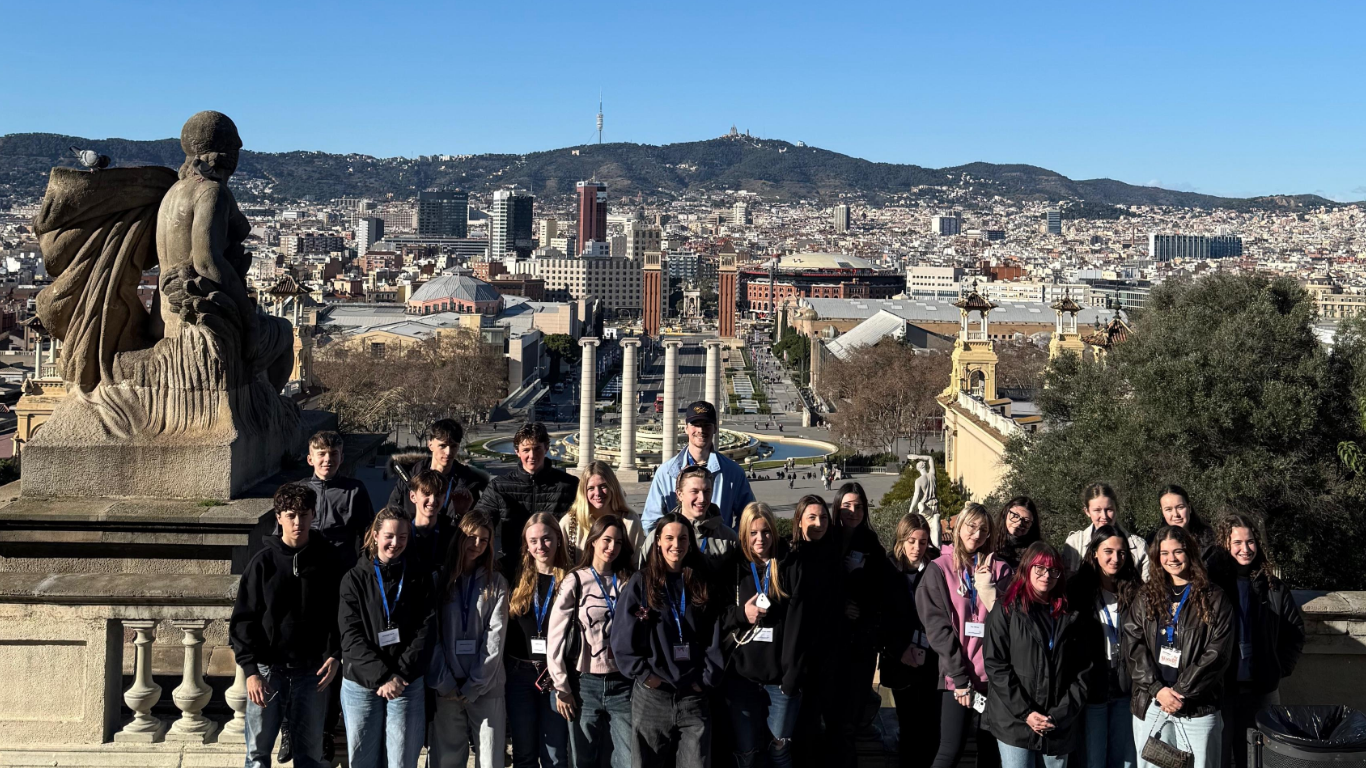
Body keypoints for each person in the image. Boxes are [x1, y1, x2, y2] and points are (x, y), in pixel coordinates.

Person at [230, 483, 344, 768]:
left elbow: (341, 615)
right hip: (268, 672)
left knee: (310, 757)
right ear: (279, 517)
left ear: (313, 515)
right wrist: (251, 671)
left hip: (313, 673)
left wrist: (335, 654)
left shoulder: (329, 561)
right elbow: (243, 621)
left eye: (304, 515)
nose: (298, 522)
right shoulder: (261, 564)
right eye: (291, 515)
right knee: (257, 756)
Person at [611, 512, 725, 768]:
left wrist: (705, 679)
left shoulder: (701, 581)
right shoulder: (642, 582)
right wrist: (644, 674)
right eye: (670, 538)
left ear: (690, 542)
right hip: (653, 695)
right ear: (658, 542)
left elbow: (713, 635)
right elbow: (622, 637)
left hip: (693, 695)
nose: (676, 544)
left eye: (683, 538)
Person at [1125, 526, 1232, 768]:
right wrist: (1158, 690)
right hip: (1152, 703)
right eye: (1164, 553)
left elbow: (1217, 654)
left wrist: (1180, 692)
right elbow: (1132, 645)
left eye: (1178, 551)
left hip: (1197, 707)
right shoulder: (1146, 596)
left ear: (1190, 553)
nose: (1171, 559)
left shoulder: (1214, 598)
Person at [337, 507, 436, 768]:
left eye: (402, 537)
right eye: (389, 536)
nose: (395, 543)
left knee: (401, 761)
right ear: (376, 535)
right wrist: (383, 676)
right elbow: (350, 636)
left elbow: (425, 631)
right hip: (362, 683)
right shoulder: (354, 579)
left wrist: (399, 675)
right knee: (363, 761)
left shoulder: (419, 577)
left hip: (405, 683)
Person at [917, 502, 1011, 768]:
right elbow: (938, 630)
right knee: (950, 751)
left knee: (991, 755)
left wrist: (990, 590)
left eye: (984, 530)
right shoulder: (939, 569)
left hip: (995, 679)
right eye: (971, 526)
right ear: (959, 527)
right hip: (956, 677)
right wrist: (959, 678)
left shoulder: (1002, 570)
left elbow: (1012, 622)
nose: (977, 534)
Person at [1207, 514, 1304, 768]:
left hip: (1261, 692)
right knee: (1218, 758)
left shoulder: (1274, 587)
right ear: (1225, 545)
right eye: (1237, 542)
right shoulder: (1212, 586)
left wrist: (1277, 668)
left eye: (1250, 542)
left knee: (1259, 760)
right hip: (1220, 691)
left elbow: (1294, 633)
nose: (1245, 549)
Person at [984, 542, 1092, 768]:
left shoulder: (1071, 615)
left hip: (1057, 724)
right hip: (1015, 721)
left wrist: (1059, 715)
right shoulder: (1006, 609)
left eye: (1053, 570)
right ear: (1027, 568)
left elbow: (1082, 671)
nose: (1047, 575)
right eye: (1040, 568)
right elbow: (996, 665)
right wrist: (1026, 712)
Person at [720, 502, 808, 768]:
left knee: (779, 752)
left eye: (766, 531)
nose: (760, 539)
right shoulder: (732, 567)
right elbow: (718, 617)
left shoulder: (789, 565)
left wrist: (790, 679)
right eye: (753, 533)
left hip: (780, 682)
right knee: (746, 753)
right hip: (741, 679)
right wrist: (740, 614)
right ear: (743, 534)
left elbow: (797, 625)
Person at [548, 514, 638, 768]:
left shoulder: (629, 580)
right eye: (606, 540)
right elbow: (555, 636)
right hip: (584, 684)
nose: (612, 547)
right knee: (582, 759)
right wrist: (562, 686)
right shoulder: (576, 580)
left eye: (618, 542)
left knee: (628, 759)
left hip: (623, 683)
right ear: (594, 541)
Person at [427, 511, 510, 768]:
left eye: (484, 540)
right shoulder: (439, 580)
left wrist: (476, 684)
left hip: (486, 686)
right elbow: (432, 636)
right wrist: (444, 681)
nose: (477, 545)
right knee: (447, 759)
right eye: (472, 537)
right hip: (447, 687)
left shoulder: (496, 582)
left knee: (489, 759)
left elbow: (495, 637)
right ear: (460, 537)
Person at [816, 482, 889, 768]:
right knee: (828, 714)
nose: (853, 511)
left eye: (858, 506)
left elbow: (881, 591)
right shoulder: (826, 539)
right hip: (829, 642)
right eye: (847, 505)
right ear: (836, 507)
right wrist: (840, 605)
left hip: (860, 644)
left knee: (850, 717)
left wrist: (858, 577)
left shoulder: (871, 544)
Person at [1067, 525, 1142, 768]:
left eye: (1121, 553)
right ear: (1094, 553)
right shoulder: (1077, 590)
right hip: (1092, 684)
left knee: (1123, 759)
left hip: (1125, 684)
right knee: (1093, 759)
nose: (1115, 558)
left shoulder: (1135, 590)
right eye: (1108, 551)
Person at [504, 513, 573, 768]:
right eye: (533, 541)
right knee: (524, 753)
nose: (540, 546)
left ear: (558, 539)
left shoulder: (571, 579)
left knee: (555, 755)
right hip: (519, 673)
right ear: (526, 544)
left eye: (546, 539)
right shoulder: (515, 576)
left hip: (555, 675)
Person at [474, 422, 578, 577]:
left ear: (546, 448)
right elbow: (478, 523)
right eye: (526, 450)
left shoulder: (569, 485)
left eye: (537, 449)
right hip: (513, 568)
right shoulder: (499, 486)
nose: (532, 456)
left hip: (556, 569)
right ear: (517, 451)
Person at [879, 512, 942, 768]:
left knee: (931, 725)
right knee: (908, 724)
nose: (917, 548)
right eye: (911, 541)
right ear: (901, 540)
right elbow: (878, 617)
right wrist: (899, 649)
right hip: (900, 660)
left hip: (932, 659)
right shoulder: (886, 569)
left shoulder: (936, 567)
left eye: (923, 542)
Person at [643, 400, 756, 531]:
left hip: (718, 544)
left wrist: (729, 540)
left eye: (706, 425)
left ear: (715, 428)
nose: (701, 430)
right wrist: (669, 541)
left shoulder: (733, 472)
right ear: (686, 428)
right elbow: (650, 522)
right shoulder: (665, 472)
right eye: (695, 424)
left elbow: (749, 517)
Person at [389, 418, 489, 520]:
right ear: (430, 445)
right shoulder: (409, 476)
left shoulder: (469, 482)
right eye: (443, 446)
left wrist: (461, 514)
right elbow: (391, 515)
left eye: (453, 446)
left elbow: (474, 524)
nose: (448, 452)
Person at [303, 430, 376, 569]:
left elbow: (367, 533)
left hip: (343, 568)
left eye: (333, 454)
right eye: (321, 454)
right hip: (306, 567)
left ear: (341, 458)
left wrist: (363, 567)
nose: (328, 459)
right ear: (310, 459)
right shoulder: (300, 490)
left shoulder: (354, 490)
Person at [644, 464, 738, 570]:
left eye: (707, 491)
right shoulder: (657, 537)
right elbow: (642, 576)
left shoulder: (728, 538)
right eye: (694, 491)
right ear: (679, 494)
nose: (702, 499)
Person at [562, 460, 645, 566]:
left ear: (612, 487)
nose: (598, 493)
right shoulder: (569, 523)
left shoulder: (630, 522)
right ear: (583, 491)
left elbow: (636, 565)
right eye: (591, 488)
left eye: (603, 486)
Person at [1063, 484, 1148, 577]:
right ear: (1087, 511)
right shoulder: (1075, 544)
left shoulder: (1138, 546)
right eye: (1097, 510)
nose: (1104, 516)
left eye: (1109, 510)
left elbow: (1149, 583)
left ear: (1116, 509)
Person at [410, 469, 460, 575]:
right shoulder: (401, 533)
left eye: (438, 494)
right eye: (426, 493)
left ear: (444, 498)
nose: (432, 500)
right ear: (413, 497)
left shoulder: (451, 535)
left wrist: (462, 513)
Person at [1154, 486, 1217, 562]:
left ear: (1189, 507)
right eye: (1168, 509)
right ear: (1162, 512)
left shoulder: (1211, 540)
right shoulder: (1155, 543)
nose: (1176, 514)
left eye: (1180, 507)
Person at [992, 496, 1042, 572]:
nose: (1019, 523)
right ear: (1006, 513)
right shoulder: (989, 541)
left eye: (1026, 521)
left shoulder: (1036, 551)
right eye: (1015, 516)